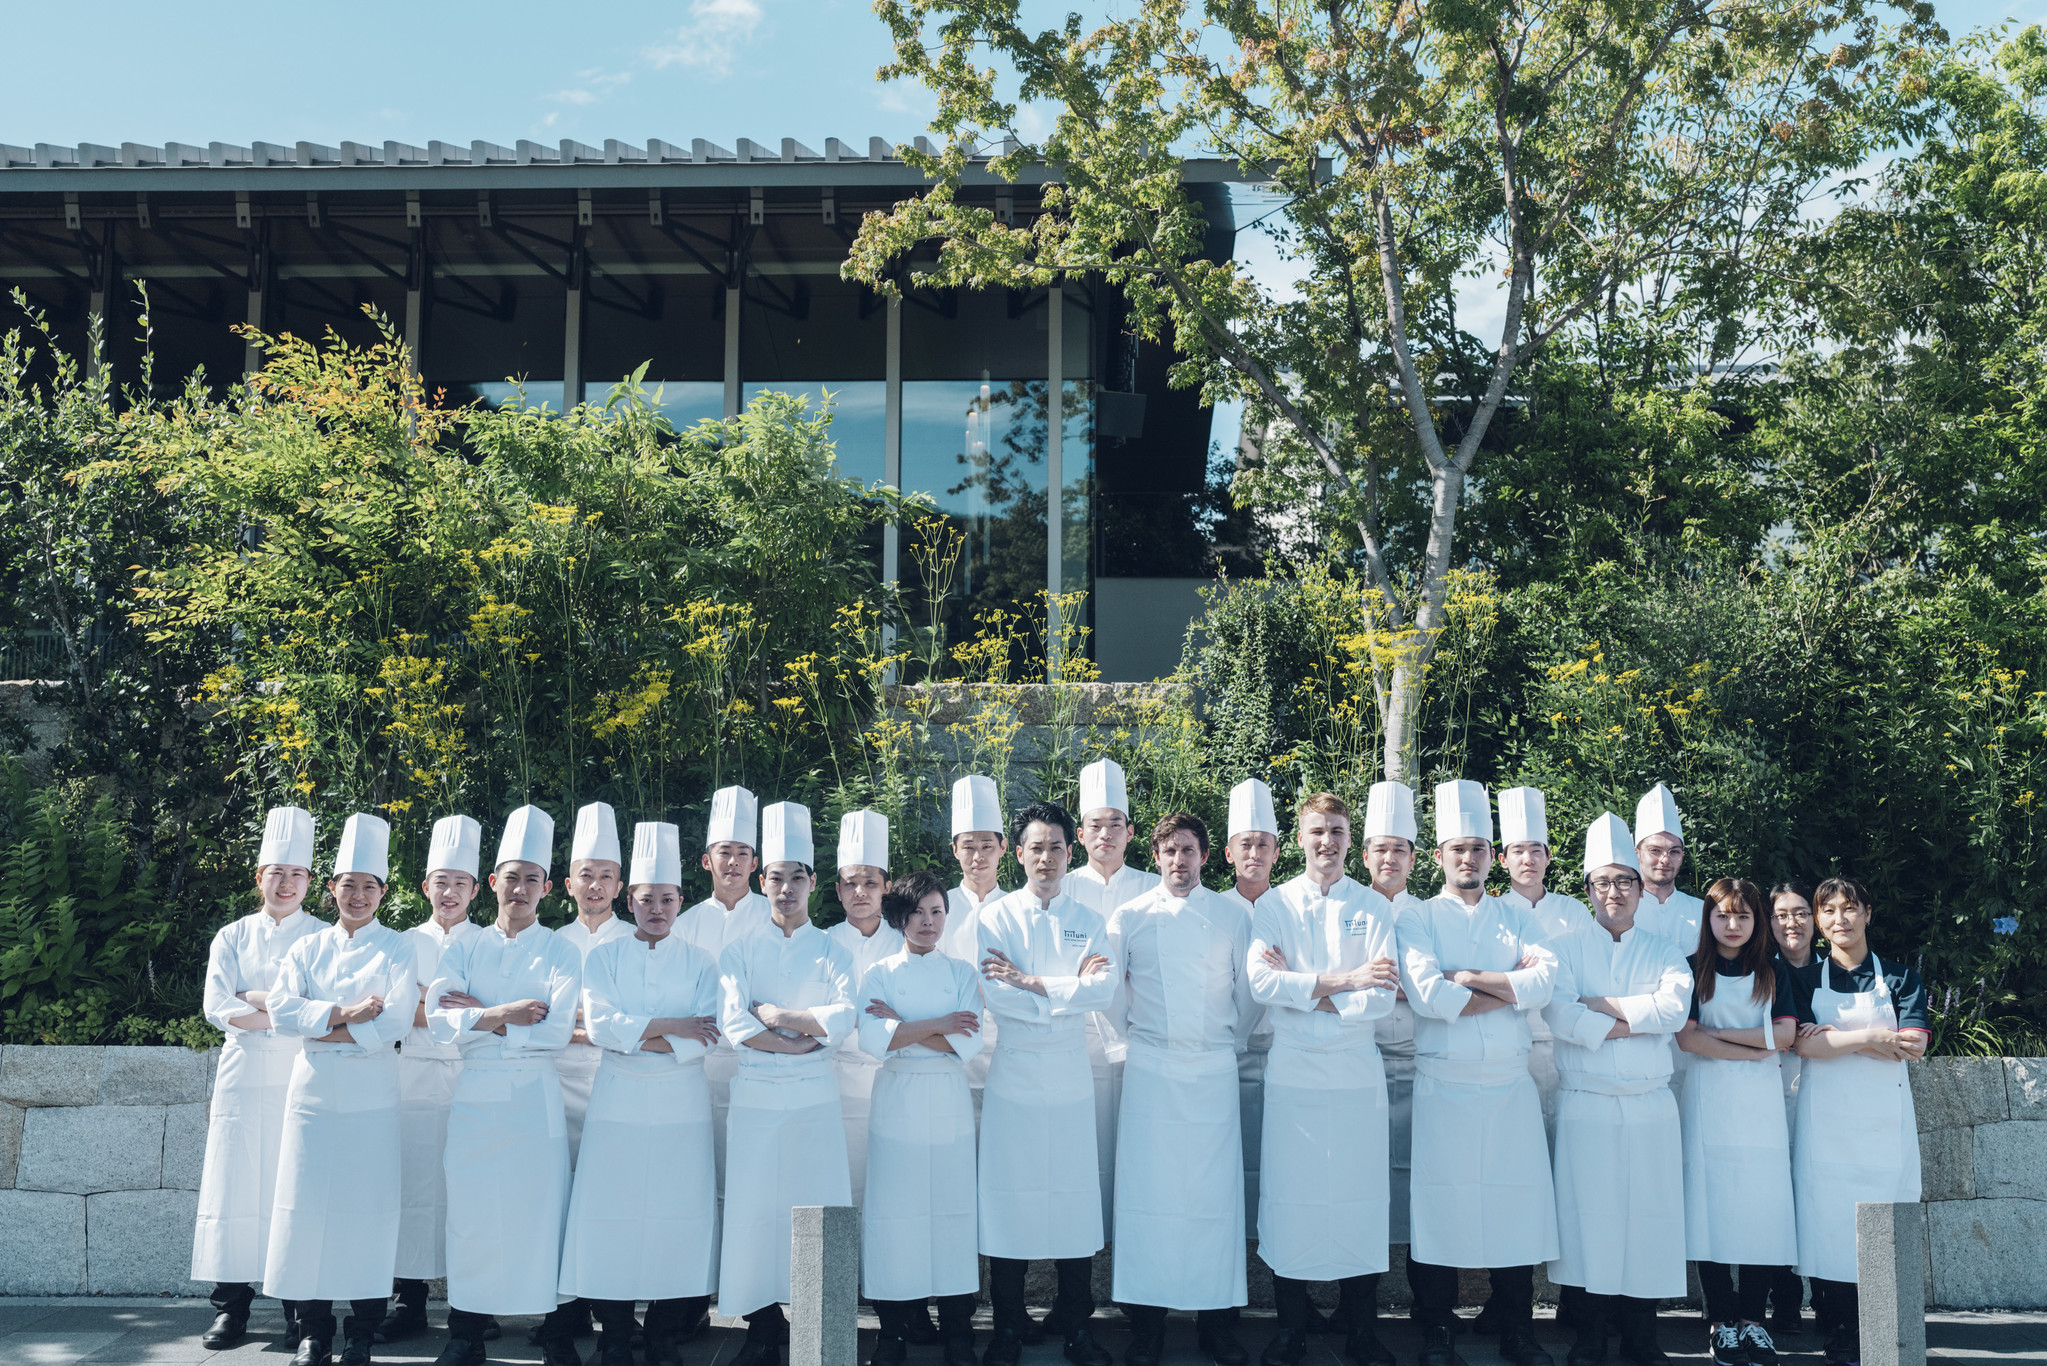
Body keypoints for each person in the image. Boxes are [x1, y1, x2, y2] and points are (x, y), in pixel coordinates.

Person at [1396, 782, 1560, 1366]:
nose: (1468, 859)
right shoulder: (1417, 916)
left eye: (1478, 849)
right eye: (1457, 849)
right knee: (1439, 1206)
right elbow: (1425, 995)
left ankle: (1517, 1326)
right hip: (1444, 1084)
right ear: (1439, 856)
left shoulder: (1518, 913)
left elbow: (1546, 984)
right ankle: (1436, 1324)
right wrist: (1505, 985)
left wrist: (1465, 977)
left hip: (1509, 1082)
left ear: (1493, 856)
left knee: (1514, 1205)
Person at [557, 821, 722, 1366]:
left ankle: (661, 1334)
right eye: (646, 899)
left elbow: (708, 1037)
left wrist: (640, 1032)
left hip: (681, 1107)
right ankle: (615, 1334)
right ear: (630, 901)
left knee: (679, 1216)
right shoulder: (603, 959)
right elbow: (603, 1027)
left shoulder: (701, 962)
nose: (657, 908)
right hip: (617, 1103)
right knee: (612, 1214)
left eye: (667, 899)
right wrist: (673, 1027)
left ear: (680, 902)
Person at [426, 805, 584, 1366]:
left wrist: (482, 1018)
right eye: (510, 877)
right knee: (471, 1213)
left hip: (534, 1098)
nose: (520, 888)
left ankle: (556, 1332)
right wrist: (509, 1012)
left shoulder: (562, 951)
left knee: (543, 1213)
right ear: (492, 883)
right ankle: (466, 1332)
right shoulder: (462, 947)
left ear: (547, 888)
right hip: (476, 1099)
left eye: (531, 879)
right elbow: (442, 1022)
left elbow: (558, 1029)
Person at [1247, 792, 1401, 1366]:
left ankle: (1361, 1330)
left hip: (1357, 1072)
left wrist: (1308, 990)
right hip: (1294, 1073)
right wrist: (1347, 979)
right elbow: (1263, 986)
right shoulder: (1274, 905)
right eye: (1317, 831)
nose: (1327, 842)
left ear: (1348, 837)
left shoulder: (1374, 907)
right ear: (1301, 837)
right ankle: (1291, 1331)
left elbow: (1382, 998)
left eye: (1337, 830)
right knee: (1292, 1198)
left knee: (1360, 1199)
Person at [262, 814, 419, 1366]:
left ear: (383, 893)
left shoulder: (398, 949)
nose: (357, 895)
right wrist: (348, 1014)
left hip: (373, 1094)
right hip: (313, 1094)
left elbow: (398, 1021)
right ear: (331, 889)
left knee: (367, 1209)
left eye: (368, 886)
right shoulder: (305, 949)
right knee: (306, 1208)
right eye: (347, 885)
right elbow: (282, 1011)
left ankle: (363, 1331)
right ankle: (313, 1330)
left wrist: (323, 1027)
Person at [1105, 813, 1260, 1366]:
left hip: (1214, 1068)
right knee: (1147, 1200)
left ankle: (1217, 1326)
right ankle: (1146, 1328)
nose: (1179, 860)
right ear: (1156, 855)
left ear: (1205, 855)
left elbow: (1250, 997)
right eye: (1169, 851)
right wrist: (1138, 1043)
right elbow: (1110, 995)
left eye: (1188, 850)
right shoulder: (1130, 917)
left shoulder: (1232, 916)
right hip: (1150, 1068)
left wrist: (1224, 1043)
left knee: (1216, 1201)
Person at [1542, 814, 1693, 1366]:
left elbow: (1674, 1010)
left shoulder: (1663, 951)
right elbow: (1558, 1013)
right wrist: (1637, 1015)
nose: (1615, 892)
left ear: (1639, 888)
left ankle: (1642, 1336)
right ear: (1587, 890)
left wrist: (1598, 1007)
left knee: (1649, 1218)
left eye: (1624, 881)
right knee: (1589, 1220)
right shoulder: (1562, 948)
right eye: (1603, 882)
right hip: (1588, 1102)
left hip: (1650, 1103)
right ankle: (1590, 1334)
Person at [976, 800, 1118, 1366]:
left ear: (1070, 849)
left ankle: (1077, 1324)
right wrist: (1064, 992)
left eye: (1056, 846)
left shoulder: (1090, 918)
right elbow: (996, 995)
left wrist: (1033, 983)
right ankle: (1008, 1326)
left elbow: (1103, 991)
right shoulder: (996, 916)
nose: (1047, 857)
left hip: (1067, 1075)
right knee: (1010, 1199)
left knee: (1073, 1200)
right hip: (1013, 1075)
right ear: (1019, 853)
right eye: (1036, 847)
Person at [717, 802, 858, 1366]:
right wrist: (800, 1034)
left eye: (797, 876)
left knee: (819, 1206)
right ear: (762, 881)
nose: (786, 888)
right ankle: (760, 1325)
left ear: (814, 883)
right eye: (776, 877)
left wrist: (779, 1017)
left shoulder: (833, 949)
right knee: (755, 1208)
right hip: (755, 1094)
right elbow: (734, 1025)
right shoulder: (739, 950)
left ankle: (822, 1326)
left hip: (814, 1098)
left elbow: (844, 1019)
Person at [194, 805, 326, 1351]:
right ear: (259, 877)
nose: (287, 883)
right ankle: (232, 1307)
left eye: (297, 874)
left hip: (304, 1074)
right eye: (278, 873)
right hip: (244, 1076)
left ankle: (299, 1304)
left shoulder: (323, 937)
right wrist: (287, 1010)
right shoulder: (232, 935)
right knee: (237, 1184)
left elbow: (326, 1008)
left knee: (293, 1186)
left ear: (311, 882)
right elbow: (217, 1006)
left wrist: (258, 1001)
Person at [1788, 877, 1927, 1366]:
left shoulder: (1902, 978)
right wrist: (1873, 1036)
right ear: (1819, 922)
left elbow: (1911, 1047)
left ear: (1868, 912)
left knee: (1886, 1214)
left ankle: (1887, 1323)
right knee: (1829, 1224)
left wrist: (1838, 1039)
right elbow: (1805, 1045)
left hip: (1883, 1124)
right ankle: (1842, 1328)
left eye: (1849, 908)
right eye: (1828, 912)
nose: (1839, 919)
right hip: (1825, 1124)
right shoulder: (1804, 981)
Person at [857, 870, 987, 1366]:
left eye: (937, 911)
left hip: (948, 1104)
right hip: (897, 1104)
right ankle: (893, 1335)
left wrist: (903, 1026)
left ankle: (958, 1332)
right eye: (917, 913)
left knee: (953, 1216)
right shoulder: (879, 974)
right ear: (899, 918)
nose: (928, 922)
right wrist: (938, 1026)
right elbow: (873, 1040)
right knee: (895, 1217)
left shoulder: (961, 974)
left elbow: (968, 1044)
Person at [1675, 878, 1798, 1366]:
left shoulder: (1771, 972)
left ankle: (1753, 1321)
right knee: (1711, 1211)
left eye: (1743, 916)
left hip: (1760, 1109)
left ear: (1757, 922)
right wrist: (1754, 1044)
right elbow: (1687, 1040)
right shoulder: (1690, 971)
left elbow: (1786, 1034)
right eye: (1723, 915)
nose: (1733, 925)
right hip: (1708, 1105)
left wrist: (1719, 1036)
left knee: (1760, 1213)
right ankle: (1721, 1321)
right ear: (1708, 920)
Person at [385, 816, 489, 1345]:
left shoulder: (489, 943)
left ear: (476, 888)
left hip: (474, 1078)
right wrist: (459, 1007)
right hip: (413, 1076)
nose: (449, 893)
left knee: (471, 1189)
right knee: (414, 1188)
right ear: (425, 887)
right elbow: (396, 1011)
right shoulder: (401, 942)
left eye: (460, 883)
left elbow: (494, 1011)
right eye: (440, 882)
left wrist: (430, 1002)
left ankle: (478, 1304)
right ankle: (409, 1301)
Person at [1061, 756, 1159, 1237]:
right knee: (1082, 1153)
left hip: (1143, 1041)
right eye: (1095, 825)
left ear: (1131, 831)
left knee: (1140, 1152)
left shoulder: (1154, 888)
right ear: (1079, 835)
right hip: (1075, 1046)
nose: (1106, 834)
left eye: (1115, 824)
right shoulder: (1059, 890)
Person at [678, 784, 775, 1189]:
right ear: (706, 860)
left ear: (755, 864)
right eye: (724, 852)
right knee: (700, 1171)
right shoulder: (682, 925)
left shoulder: (775, 921)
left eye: (742, 854)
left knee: (753, 1174)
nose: (732, 862)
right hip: (695, 1068)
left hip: (760, 1063)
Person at [1357, 780, 1419, 1340]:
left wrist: (1409, 986)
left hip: (1424, 1065)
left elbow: (1431, 986)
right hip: (1359, 1064)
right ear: (1365, 855)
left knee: (1420, 1188)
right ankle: (1363, 1310)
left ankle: (1427, 1311)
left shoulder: (1430, 913)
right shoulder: (1348, 908)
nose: (1389, 858)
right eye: (1380, 848)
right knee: (1364, 1185)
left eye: (1399, 848)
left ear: (1414, 858)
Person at [1218, 778, 1278, 1315]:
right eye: (1245, 843)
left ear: (1278, 851)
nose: (1254, 853)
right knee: (1227, 1174)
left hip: (1288, 1059)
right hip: (1224, 1063)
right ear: (1230, 850)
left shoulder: (1294, 906)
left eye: (1264, 843)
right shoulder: (1213, 910)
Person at [828, 809, 903, 1207]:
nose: (860, 892)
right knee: (843, 1187)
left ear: (885, 888)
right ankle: (842, 1271)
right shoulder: (821, 943)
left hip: (894, 1081)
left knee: (889, 1189)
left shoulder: (906, 944)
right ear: (838, 890)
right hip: (836, 1084)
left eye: (870, 883)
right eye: (851, 884)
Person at [557, 802, 635, 1161]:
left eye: (606, 876)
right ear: (570, 884)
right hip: (557, 1082)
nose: (596, 885)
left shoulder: (637, 942)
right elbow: (538, 1013)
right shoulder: (552, 943)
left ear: (619, 887)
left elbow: (637, 1017)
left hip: (619, 1080)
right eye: (586, 875)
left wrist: (572, 1020)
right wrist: (603, 1022)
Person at [1761, 881, 1817, 1342]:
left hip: (1831, 1092)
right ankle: (1785, 1295)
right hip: (1775, 1089)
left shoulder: (1838, 969)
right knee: (1779, 1192)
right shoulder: (1763, 972)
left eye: (1800, 912)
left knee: (1818, 1190)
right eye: (1781, 915)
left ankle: (1827, 1294)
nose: (1791, 922)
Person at [940, 776, 1007, 1117]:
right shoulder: (938, 909)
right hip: (950, 1052)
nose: (977, 856)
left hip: (1007, 1054)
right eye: (968, 846)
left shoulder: (1018, 908)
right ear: (954, 850)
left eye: (987, 845)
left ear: (1004, 848)